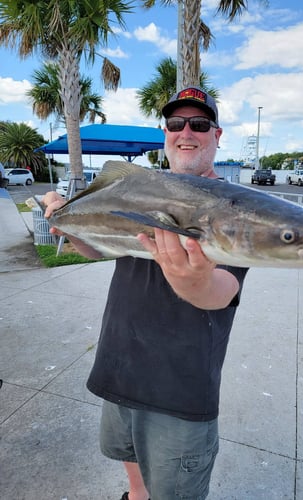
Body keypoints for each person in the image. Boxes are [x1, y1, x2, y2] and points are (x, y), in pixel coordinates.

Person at [43, 86, 248, 500]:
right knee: (132, 470)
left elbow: (224, 290)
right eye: (176, 124)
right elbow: (98, 248)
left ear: (217, 134)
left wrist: (196, 282)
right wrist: (66, 223)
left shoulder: (230, 205)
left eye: (199, 124)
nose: (186, 132)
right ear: (166, 133)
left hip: (178, 387)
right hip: (119, 364)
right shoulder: (141, 188)